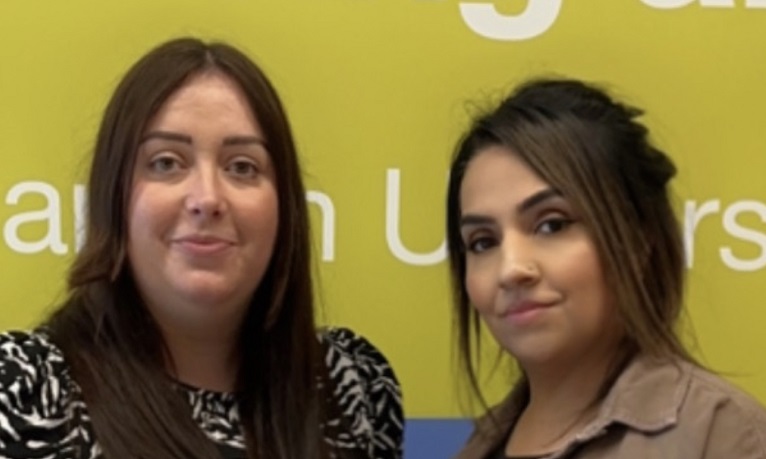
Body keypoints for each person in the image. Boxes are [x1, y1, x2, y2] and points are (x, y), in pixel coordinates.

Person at [0, 37, 403, 459]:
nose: (207, 198)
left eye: (242, 167)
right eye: (166, 162)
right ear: (113, 194)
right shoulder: (25, 390)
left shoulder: (352, 387)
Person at [445, 78, 766, 458]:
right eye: (483, 242)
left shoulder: (721, 434)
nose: (511, 268)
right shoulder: (480, 445)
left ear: (637, 239)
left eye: (552, 224)